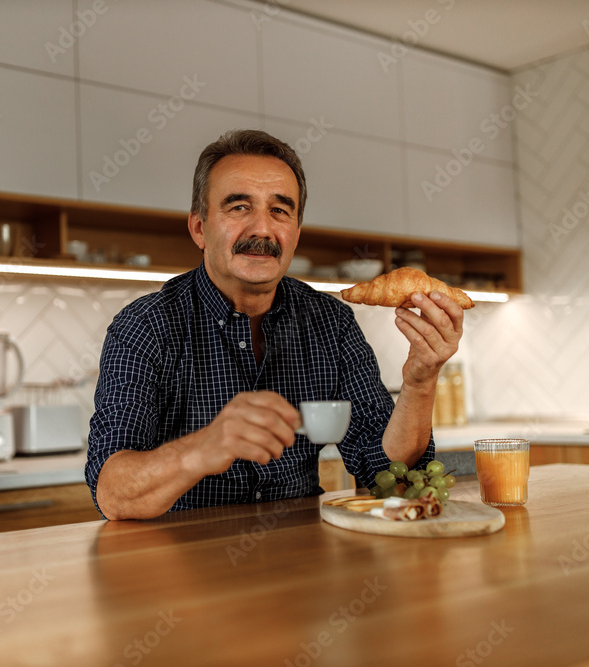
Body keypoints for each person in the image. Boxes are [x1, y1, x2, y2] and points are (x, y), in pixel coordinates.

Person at [85, 129, 463, 520]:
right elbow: (113, 494)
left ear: (296, 234)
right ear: (199, 229)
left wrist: (420, 381)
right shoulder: (145, 326)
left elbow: (389, 479)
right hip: (182, 566)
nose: (262, 230)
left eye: (280, 211)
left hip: (304, 559)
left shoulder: (330, 323)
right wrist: (203, 448)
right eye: (239, 207)